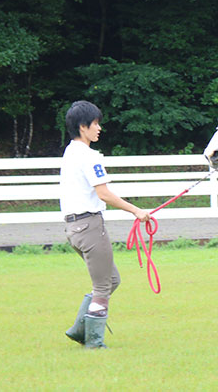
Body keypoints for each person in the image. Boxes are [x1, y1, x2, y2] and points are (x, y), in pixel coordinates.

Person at [60, 100, 150, 349]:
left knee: (112, 280)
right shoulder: (89, 157)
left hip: (74, 228)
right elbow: (104, 194)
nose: (99, 128)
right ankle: (94, 342)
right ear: (82, 126)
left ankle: (80, 329)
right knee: (102, 285)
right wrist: (136, 211)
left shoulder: (70, 152)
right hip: (90, 226)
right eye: (95, 123)